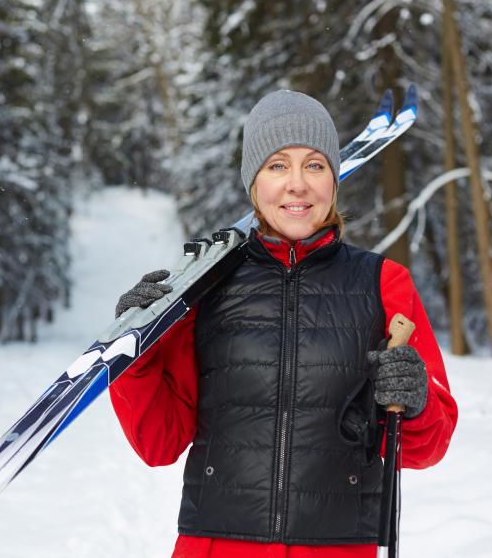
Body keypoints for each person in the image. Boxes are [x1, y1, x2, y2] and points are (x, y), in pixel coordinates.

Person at [110, 90, 458, 557]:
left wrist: (413, 403)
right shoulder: (206, 288)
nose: (297, 184)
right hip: (215, 545)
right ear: (254, 182)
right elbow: (159, 442)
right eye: (277, 166)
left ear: (334, 180)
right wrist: (135, 351)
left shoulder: (383, 283)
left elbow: (424, 448)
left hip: (336, 547)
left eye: (314, 165)